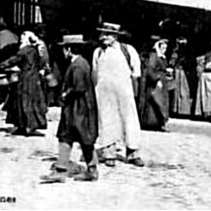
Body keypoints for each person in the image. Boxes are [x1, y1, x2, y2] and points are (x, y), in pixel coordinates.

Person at [42, 35, 99, 183]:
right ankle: (90, 170)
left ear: (68, 50)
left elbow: (78, 88)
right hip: (80, 107)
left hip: (77, 108)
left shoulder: (78, 65)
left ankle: (62, 171)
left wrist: (65, 94)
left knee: (69, 136)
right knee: (80, 137)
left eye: (64, 48)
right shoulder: (81, 63)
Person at [92, 23, 144, 167]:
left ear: (115, 36)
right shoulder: (98, 52)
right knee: (107, 120)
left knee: (129, 119)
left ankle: (133, 152)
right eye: (102, 34)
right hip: (104, 93)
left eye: (107, 34)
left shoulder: (127, 50)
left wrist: (130, 87)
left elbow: (136, 72)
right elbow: (95, 73)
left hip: (124, 92)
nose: (103, 37)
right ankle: (109, 153)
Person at [0, 29, 48, 136]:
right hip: (35, 78)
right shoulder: (36, 50)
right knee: (32, 103)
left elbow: (11, 61)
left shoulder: (24, 51)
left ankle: (24, 126)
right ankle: (29, 125)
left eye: (22, 38)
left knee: (22, 103)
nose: (20, 41)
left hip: (25, 79)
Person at [138, 38, 170, 131]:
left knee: (160, 102)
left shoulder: (161, 57)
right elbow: (150, 70)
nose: (165, 50)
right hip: (155, 84)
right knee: (156, 103)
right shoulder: (154, 56)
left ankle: (159, 123)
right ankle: (152, 123)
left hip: (162, 81)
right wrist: (157, 79)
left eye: (166, 48)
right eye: (163, 48)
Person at [168, 38, 192, 117]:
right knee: (179, 91)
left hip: (182, 72)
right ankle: (178, 109)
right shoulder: (177, 53)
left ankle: (181, 109)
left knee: (181, 91)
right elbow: (172, 62)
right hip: (179, 72)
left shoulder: (184, 54)